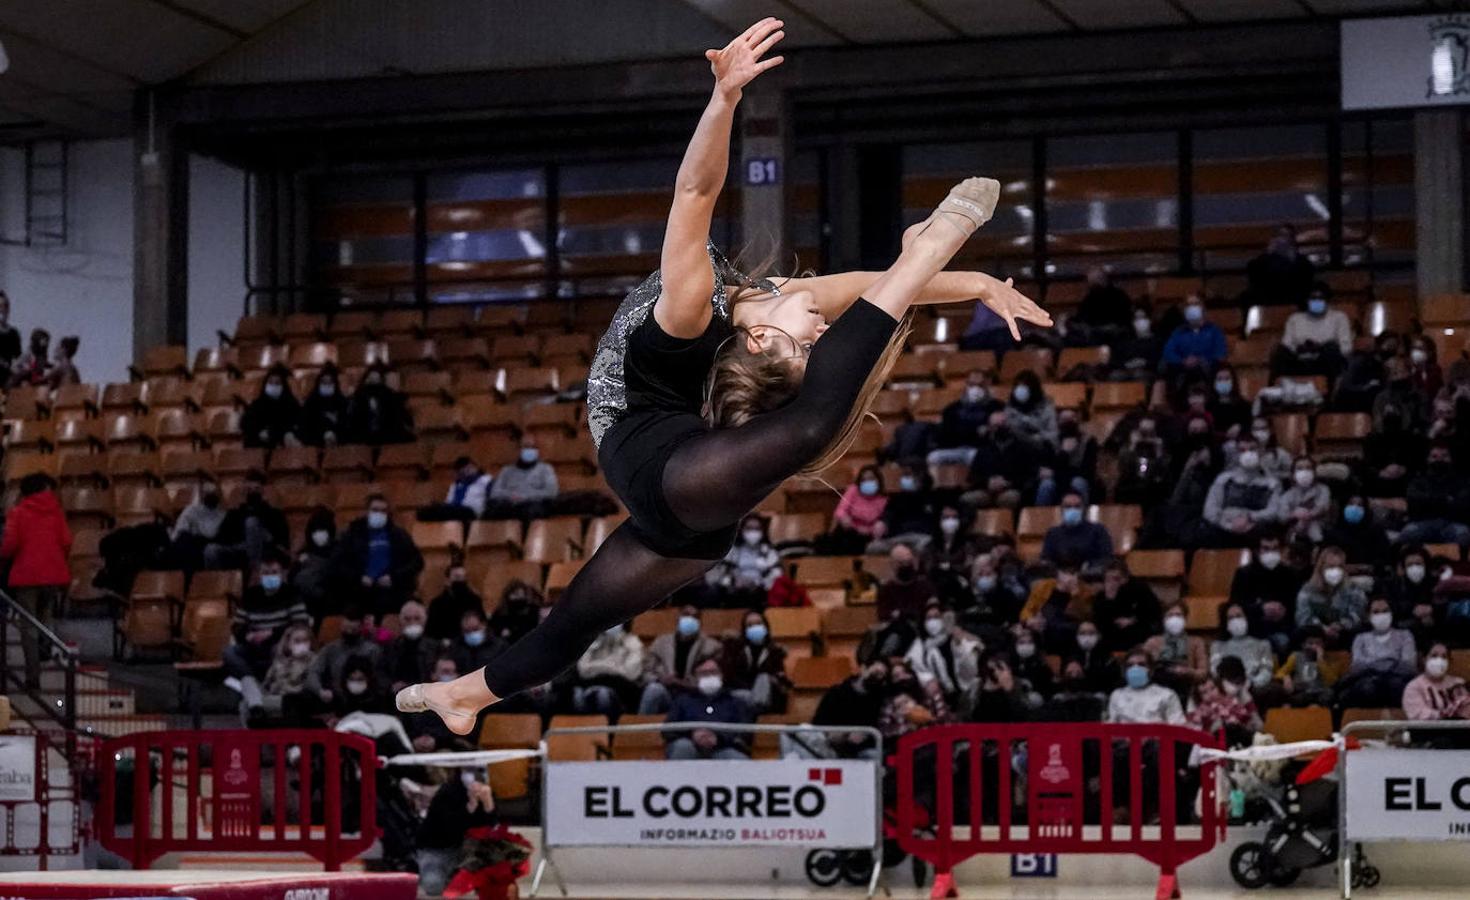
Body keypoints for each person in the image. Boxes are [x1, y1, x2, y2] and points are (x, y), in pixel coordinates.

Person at [398, 19, 1049, 732]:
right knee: (580, 620)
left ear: (765, 340)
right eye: (815, 342)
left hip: (661, 463)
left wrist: (725, 98)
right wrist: (976, 278)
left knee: (579, 619)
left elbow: (696, 197)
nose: (820, 330)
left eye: (806, 347)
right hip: (678, 477)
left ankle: (464, 696)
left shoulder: (696, 309)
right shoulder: (735, 308)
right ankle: (464, 698)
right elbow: (856, 276)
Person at [0, 474, 71, 688]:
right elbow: (67, 542)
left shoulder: (18, 513)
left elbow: (9, 546)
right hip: (53, 574)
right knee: (45, 620)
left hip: (27, 575)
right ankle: (47, 654)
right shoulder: (56, 512)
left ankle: (33, 676)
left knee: (28, 627)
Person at [223, 553, 311, 719]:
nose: (270, 576)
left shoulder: (291, 594)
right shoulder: (250, 595)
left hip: (280, 645)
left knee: (277, 649)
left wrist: (272, 633)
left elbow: (300, 624)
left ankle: (254, 693)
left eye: (274, 572)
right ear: (260, 575)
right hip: (254, 646)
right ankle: (254, 684)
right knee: (229, 652)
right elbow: (237, 625)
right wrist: (248, 635)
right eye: (266, 572)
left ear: (282, 574)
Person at [333, 493, 424, 618]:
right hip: (360, 592)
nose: (379, 514)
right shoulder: (352, 534)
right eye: (375, 510)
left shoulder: (399, 534)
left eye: (383, 511)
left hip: (393, 591)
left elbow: (417, 562)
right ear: (367, 511)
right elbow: (339, 563)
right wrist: (359, 578)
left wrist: (393, 577)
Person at [639, 605, 723, 714]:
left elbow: (713, 680)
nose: (690, 619)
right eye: (686, 615)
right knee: (654, 689)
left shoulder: (712, 646)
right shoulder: (661, 642)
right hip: (666, 693)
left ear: (700, 623)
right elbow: (646, 672)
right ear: (678, 618)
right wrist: (661, 680)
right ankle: (640, 729)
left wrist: (682, 683)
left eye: (695, 616)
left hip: (694, 695)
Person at [1229, 533, 1305, 654]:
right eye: (1266, 548)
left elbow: (1297, 604)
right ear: (1257, 551)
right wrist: (1261, 609)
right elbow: (1235, 605)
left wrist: (1283, 611)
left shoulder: (1290, 574)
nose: (1271, 553)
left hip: (1283, 626)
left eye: (1275, 548)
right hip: (1254, 626)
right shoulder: (1243, 574)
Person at [664, 658, 753, 760]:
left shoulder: (736, 702)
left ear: (721, 675)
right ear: (695, 678)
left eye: (713, 672)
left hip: (723, 748)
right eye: (704, 673)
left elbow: (745, 732)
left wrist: (718, 738)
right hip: (690, 746)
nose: (709, 676)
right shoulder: (682, 701)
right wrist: (692, 735)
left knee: (737, 758)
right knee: (683, 747)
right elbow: (668, 730)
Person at [1338, 597, 1419, 709]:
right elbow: (1357, 666)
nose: (1381, 615)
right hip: (1368, 681)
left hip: (1398, 680)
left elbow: (1408, 665)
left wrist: (1373, 664)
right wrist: (1390, 661)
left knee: (1397, 685)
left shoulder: (1405, 635)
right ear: (1368, 616)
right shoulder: (1360, 638)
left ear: (1392, 613)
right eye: (1376, 612)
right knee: (1366, 688)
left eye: (1385, 611)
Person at [1202, 435, 1282, 547]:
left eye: (1252, 449)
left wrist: (1249, 517)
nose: (1248, 454)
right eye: (1242, 450)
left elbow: (1273, 511)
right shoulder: (1224, 478)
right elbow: (1210, 510)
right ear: (1237, 454)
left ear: (1261, 451)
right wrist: (1229, 525)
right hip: (1224, 528)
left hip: (1256, 528)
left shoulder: (1272, 483)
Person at [204, 470, 290, 571]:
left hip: (265, 549)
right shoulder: (235, 513)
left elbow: (282, 542)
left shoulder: (274, 513)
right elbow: (221, 537)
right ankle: (217, 583)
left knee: (251, 522)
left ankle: (254, 572)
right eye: (249, 489)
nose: (252, 492)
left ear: (263, 490)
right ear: (245, 491)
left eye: (256, 489)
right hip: (239, 549)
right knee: (211, 550)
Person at [803, 659, 887, 760]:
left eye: (881, 675)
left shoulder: (879, 699)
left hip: (860, 749)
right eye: (875, 672)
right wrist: (833, 734)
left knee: (873, 755)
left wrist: (864, 737)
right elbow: (818, 721)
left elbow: (877, 728)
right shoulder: (836, 692)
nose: (877, 678)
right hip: (829, 743)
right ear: (863, 669)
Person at [903, 603, 981, 709]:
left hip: (966, 692)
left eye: (936, 617)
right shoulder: (920, 645)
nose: (933, 622)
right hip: (938, 698)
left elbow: (973, 664)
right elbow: (911, 665)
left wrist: (960, 642)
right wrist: (928, 681)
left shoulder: (957, 637)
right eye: (929, 618)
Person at [1273, 283, 1352, 381]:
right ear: (1307, 300)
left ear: (1327, 300)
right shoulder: (1295, 319)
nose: (1317, 301)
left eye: (1321, 298)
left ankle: (1330, 392)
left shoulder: (1339, 318)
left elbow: (1346, 348)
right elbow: (1286, 345)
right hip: (1300, 361)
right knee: (1280, 353)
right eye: (1313, 298)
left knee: (1331, 349)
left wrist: (1320, 348)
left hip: (1324, 362)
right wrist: (1302, 348)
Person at [963, 408, 1039, 510]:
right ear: (990, 427)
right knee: (967, 499)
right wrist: (987, 482)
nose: (999, 428)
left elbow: (1030, 476)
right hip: (986, 489)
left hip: (1012, 488)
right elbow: (973, 476)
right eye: (995, 426)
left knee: (1009, 498)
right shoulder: (984, 449)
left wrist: (1008, 483)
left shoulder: (1024, 447)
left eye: (1002, 424)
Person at [307, 607, 381, 712]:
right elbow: (313, 672)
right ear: (341, 626)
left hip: (364, 700)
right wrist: (320, 691)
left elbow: (377, 679)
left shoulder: (372, 650)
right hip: (335, 699)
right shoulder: (330, 649)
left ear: (361, 627)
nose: (349, 632)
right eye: (346, 629)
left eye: (353, 630)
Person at [1294, 546, 1367, 647]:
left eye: (1339, 567)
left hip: (1344, 635)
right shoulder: (1307, 590)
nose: (1335, 571)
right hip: (1315, 636)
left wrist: (1340, 625)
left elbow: (1358, 615)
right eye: (1331, 567)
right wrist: (1323, 628)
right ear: (1321, 567)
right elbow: (1302, 617)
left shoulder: (1353, 590)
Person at [720, 610, 790, 715]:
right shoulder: (734, 649)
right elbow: (729, 676)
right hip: (740, 693)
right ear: (744, 629)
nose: (755, 628)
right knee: (741, 697)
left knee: (763, 678)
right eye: (750, 625)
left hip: (766, 697)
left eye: (758, 623)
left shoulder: (775, 652)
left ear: (766, 627)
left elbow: (779, 676)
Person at [1401, 444, 1470, 548]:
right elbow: (1414, 503)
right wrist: (1446, 499)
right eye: (1435, 456)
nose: (1439, 460)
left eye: (1444, 456)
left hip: (1452, 523)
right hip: (1423, 522)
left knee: (1463, 534)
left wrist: (1430, 501)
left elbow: (1462, 504)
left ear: (1451, 459)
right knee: (1408, 533)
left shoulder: (1461, 481)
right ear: (1428, 459)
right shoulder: (1418, 481)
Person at [571, 622, 645, 718]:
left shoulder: (633, 642)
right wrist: (610, 666)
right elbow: (583, 670)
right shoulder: (594, 642)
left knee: (603, 694)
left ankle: (609, 729)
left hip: (621, 691)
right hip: (591, 685)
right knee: (577, 694)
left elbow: (631, 674)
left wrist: (597, 667)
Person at [705, 514, 781, 607]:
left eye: (757, 528)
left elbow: (777, 575)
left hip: (760, 589)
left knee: (755, 595)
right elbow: (721, 574)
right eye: (749, 528)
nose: (753, 532)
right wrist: (734, 581)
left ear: (763, 531)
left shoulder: (769, 551)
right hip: (735, 588)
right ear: (742, 530)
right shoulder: (732, 551)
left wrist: (757, 583)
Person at [1187, 656, 1261, 746]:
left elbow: (1245, 716)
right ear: (1199, 697)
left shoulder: (1230, 700)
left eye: (1212, 689)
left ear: (1219, 688)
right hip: (1216, 737)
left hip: (1239, 731)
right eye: (1204, 693)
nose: (1210, 694)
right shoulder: (1202, 709)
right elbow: (1195, 729)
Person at [929, 370, 1000, 465]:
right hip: (955, 449)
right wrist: (977, 430)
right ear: (966, 385)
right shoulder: (952, 409)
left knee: (981, 457)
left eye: (980, 385)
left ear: (987, 385)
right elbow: (947, 434)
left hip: (980, 451)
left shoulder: (996, 407)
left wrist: (967, 430)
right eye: (972, 385)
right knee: (933, 457)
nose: (976, 389)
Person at [1092, 558, 1161, 653]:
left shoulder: (1139, 589)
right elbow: (1099, 622)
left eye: (1116, 579)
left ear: (1126, 578)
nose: (1112, 583)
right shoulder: (1101, 596)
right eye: (1108, 579)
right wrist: (1109, 600)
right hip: (1111, 636)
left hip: (1137, 632)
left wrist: (1132, 620)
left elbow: (1153, 613)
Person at [485, 436, 559, 520]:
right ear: (518, 450)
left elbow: (551, 491)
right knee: (491, 510)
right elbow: (495, 492)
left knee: (529, 511)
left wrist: (524, 496)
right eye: (525, 447)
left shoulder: (545, 469)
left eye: (532, 447)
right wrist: (512, 496)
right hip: (509, 504)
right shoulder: (506, 470)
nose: (529, 450)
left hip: (532, 505)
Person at [1144, 603, 1209, 696]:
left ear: (1185, 619)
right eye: (1170, 615)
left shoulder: (1196, 642)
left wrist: (1188, 671)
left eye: (1178, 615)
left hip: (1187, 687)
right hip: (1158, 688)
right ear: (1163, 619)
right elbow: (1144, 667)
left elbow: (1203, 673)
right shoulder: (1153, 642)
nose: (1174, 619)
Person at [1243, 224, 1315, 308]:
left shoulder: (1302, 263)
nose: (1282, 240)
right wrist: (1267, 254)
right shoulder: (1261, 262)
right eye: (1280, 235)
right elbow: (1253, 277)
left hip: (1293, 297)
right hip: (1266, 298)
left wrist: (1293, 258)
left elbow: (1307, 282)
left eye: (1287, 236)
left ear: (1292, 240)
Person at [260, 623, 319, 726]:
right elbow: (267, 684)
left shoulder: (314, 661)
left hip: (296, 699)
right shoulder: (280, 661)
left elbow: (308, 687)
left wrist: (284, 687)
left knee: (291, 702)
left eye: (305, 641)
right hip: (275, 697)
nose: (302, 644)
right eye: (297, 641)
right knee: (247, 692)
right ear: (288, 643)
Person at [1106, 648, 1185, 725]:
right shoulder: (1117, 695)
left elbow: (1178, 726)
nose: (1135, 668)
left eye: (1141, 664)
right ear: (1124, 670)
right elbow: (1111, 726)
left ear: (1151, 669)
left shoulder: (1167, 695)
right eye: (1130, 665)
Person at [1211, 603, 1277, 694]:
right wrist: (1230, 685)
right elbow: (1215, 670)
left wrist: (1251, 683)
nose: (1235, 620)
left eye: (1239, 616)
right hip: (1227, 688)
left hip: (1255, 688)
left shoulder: (1263, 644)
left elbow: (1266, 671)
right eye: (1231, 618)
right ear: (1225, 623)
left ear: (1247, 618)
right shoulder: (1217, 645)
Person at [1161, 295, 1227, 384]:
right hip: (1184, 373)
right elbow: (1168, 352)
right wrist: (1183, 361)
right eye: (1189, 305)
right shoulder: (1178, 332)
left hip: (1208, 372)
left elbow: (1220, 353)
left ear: (1202, 308)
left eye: (1196, 304)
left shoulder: (1214, 330)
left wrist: (1202, 360)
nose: (1193, 307)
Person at [344, 362, 414, 445]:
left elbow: (400, 418)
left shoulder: (390, 396)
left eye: (376, 378)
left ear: (382, 380)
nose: (373, 381)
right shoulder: (357, 397)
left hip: (387, 434)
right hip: (363, 435)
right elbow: (353, 420)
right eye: (371, 378)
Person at [1040, 492, 1112, 571]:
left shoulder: (1098, 530)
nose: (1072, 510)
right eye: (1068, 507)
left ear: (1084, 509)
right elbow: (1046, 560)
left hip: (1091, 577)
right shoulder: (1053, 533)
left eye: (1077, 506)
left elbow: (1106, 559)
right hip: (1059, 578)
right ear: (1061, 509)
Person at [824, 465, 888, 554]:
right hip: (850, 532)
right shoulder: (853, 490)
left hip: (870, 536)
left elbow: (881, 522)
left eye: (871, 479)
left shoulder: (883, 499)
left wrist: (870, 529)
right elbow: (840, 510)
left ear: (878, 480)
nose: (867, 482)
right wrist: (844, 518)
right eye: (864, 480)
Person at [1273, 627, 1340, 708]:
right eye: (1310, 643)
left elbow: (1332, 681)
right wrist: (1285, 678)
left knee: (1329, 695)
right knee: (1289, 700)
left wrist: (1320, 660)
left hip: (1320, 692)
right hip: (1302, 692)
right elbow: (1280, 673)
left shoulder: (1328, 658)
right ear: (1303, 645)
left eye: (1318, 643)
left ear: (1323, 644)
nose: (1314, 646)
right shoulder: (1296, 656)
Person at [291, 507, 338, 623]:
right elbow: (291, 579)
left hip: (326, 602)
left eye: (323, 530)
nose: (319, 534)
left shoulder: (338, 551)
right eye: (315, 531)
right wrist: (298, 564)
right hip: (303, 603)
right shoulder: (304, 553)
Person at [379, 600, 436, 696]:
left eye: (417, 618)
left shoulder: (435, 648)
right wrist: (390, 686)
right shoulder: (390, 648)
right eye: (407, 619)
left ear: (424, 620)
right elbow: (380, 673)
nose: (412, 622)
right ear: (401, 622)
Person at [1322, 494, 1392, 570]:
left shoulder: (1376, 532)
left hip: (1369, 576)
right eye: (1351, 504)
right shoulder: (1332, 534)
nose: (1355, 508)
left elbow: (1385, 558)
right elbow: (1325, 561)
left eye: (1360, 505)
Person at [169, 479, 227, 571]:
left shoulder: (223, 515)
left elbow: (211, 534)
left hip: (204, 548)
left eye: (212, 492)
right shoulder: (191, 510)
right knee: (183, 540)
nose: (209, 494)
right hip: (186, 547)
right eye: (207, 492)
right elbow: (178, 533)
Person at [1402, 643, 1470, 721]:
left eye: (1444, 657)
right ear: (1424, 659)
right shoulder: (1413, 687)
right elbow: (1419, 715)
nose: (1439, 661)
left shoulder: (1458, 683)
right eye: (1434, 656)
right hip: (1429, 731)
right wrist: (1445, 714)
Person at [1273, 456, 1332, 546]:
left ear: (1314, 472)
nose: (1304, 472)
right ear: (1293, 474)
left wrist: (1306, 515)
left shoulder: (1323, 489)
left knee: (1313, 526)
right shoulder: (1288, 495)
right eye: (1299, 468)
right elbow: (1281, 516)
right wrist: (1294, 514)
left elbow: (1323, 507)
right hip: (1296, 530)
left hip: (1321, 528)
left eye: (1308, 468)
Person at [241, 365, 302, 449]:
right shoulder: (257, 404)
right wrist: (259, 432)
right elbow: (245, 424)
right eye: (270, 382)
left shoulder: (292, 404)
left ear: (283, 386)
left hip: (283, 447)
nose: (273, 386)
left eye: (277, 383)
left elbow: (298, 423)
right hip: (260, 446)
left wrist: (290, 432)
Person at [422, 456, 493, 522]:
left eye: (469, 467)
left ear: (475, 467)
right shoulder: (455, 485)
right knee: (424, 512)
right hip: (456, 510)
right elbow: (449, 503)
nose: (466, 470)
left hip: (473, 512)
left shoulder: (486, 480)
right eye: (463, 468)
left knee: (459, 511)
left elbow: (492, 501)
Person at [1071, 265, 1132, 342]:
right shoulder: (1089, 299)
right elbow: (1082, 318)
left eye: (1095, 280)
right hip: (1096, 338)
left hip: (1116, 338)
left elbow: (1125, 319)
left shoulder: (1119, 296)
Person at [426, 562, 484, 642]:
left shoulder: (475, 601)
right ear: (447, 580)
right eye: (457, 577)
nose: (461, 580)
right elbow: (431, 631)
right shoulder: (437, 604)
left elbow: (483, 624)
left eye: (464, 577)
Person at [1004, 370, 1058, 451]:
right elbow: (1008, 427)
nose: (1020, 390)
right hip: (1016, 449)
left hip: (1039, 447)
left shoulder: (1046, 406)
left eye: (1024, 386)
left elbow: (1053, 434)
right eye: (1018, 386)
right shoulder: (1010, 405)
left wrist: (1035, 436)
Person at [298, 364, 350, 447]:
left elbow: (346, 426)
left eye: (330, 382)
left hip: (338, 445)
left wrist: (334, 435)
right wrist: (323, 434)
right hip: (314, 444)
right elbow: (305, 426)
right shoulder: (311, 402)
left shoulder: (342, 402)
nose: (327, 385)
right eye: (324, 382)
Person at [449, 607, 508, 676]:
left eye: (475, 629)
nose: (471, 634)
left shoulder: (499, 646)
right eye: (467, 631)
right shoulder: (456, 647)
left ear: (484, 625)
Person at [487, 578, 544, 647]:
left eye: (521, 595)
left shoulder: (533, 610)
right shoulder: (500, 613)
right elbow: (493, 630)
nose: (518, 598)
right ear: (508, 595)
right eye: (515, 595)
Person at [1072, 620, 1121, 693]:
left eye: (1091, 633)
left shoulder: (1108, 658)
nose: (1087, 637)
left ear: (1099, 636)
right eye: (1082, 633)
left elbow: (1112, 680)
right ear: (1076, 636)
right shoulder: (1071, 656)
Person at [0, 292, 22, 372]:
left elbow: (17, 356)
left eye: (4, 307)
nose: (1, 310)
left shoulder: (13, 333)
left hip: (7, 374)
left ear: (8, 310)